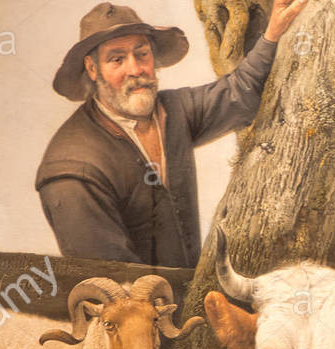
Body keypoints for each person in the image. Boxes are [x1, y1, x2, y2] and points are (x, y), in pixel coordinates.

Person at [36, 1, 308, 267]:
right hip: (136, 308)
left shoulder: (174, 110)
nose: (136, 69)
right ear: (92, 69)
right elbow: (111, 277)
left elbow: (240, 91)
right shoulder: (71, 167)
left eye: (142, 54)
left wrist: (272, 34)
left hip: (189, 301)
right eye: (117, 59)